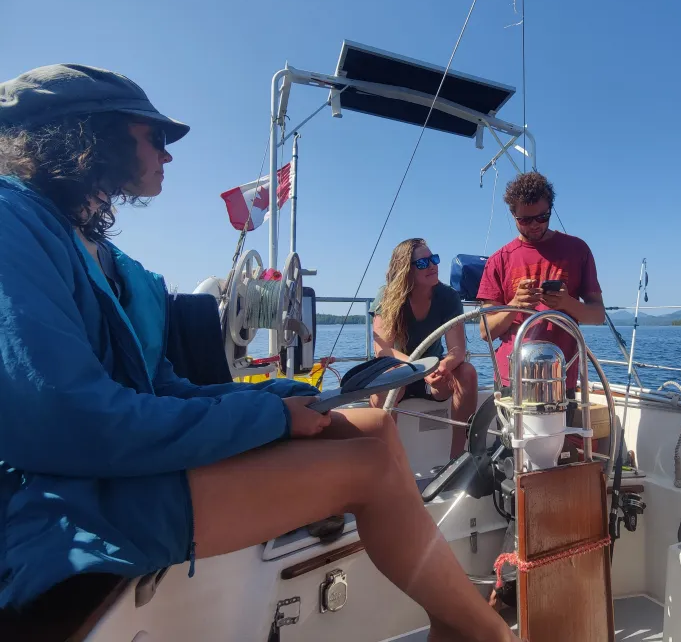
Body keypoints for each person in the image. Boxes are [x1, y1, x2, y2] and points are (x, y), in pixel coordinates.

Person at [0, 65, 517, 641]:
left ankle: (455, 626)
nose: (167, 154)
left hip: (126, 465)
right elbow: (71, 421)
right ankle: (484, 634)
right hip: (71, 500)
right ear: (88, 134)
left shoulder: (98, 254)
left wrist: (282, 395)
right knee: (370, 469)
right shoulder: (13, 226)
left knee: (372, 426)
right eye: (155, 136)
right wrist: (271, 416)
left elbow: (164, 389)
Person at [477, 172, 604, 407]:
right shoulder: (499, 260)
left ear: (550, 210)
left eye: (542, 217)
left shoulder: (578, 250)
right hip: (511, 376)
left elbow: (597, 316)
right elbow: (486, 332)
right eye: (526, 220)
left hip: (560, 375)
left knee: (559, 433)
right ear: (513, 215)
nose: (535, 225)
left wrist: (567, 303)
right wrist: (515, 305)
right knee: (512, 433)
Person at [369, 238, 478, 459]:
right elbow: (383, 351)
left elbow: (457, 350)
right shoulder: (387, 297)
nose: (432, 266)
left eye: (434, 259)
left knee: (467, 372)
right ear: (405, 270)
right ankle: (390, 462)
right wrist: (420, 367)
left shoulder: (448, 297)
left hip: (433, 377)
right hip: (400, 372)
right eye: (422, 263)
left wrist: (443, 367)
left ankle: (458, 459)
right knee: (384, 382)